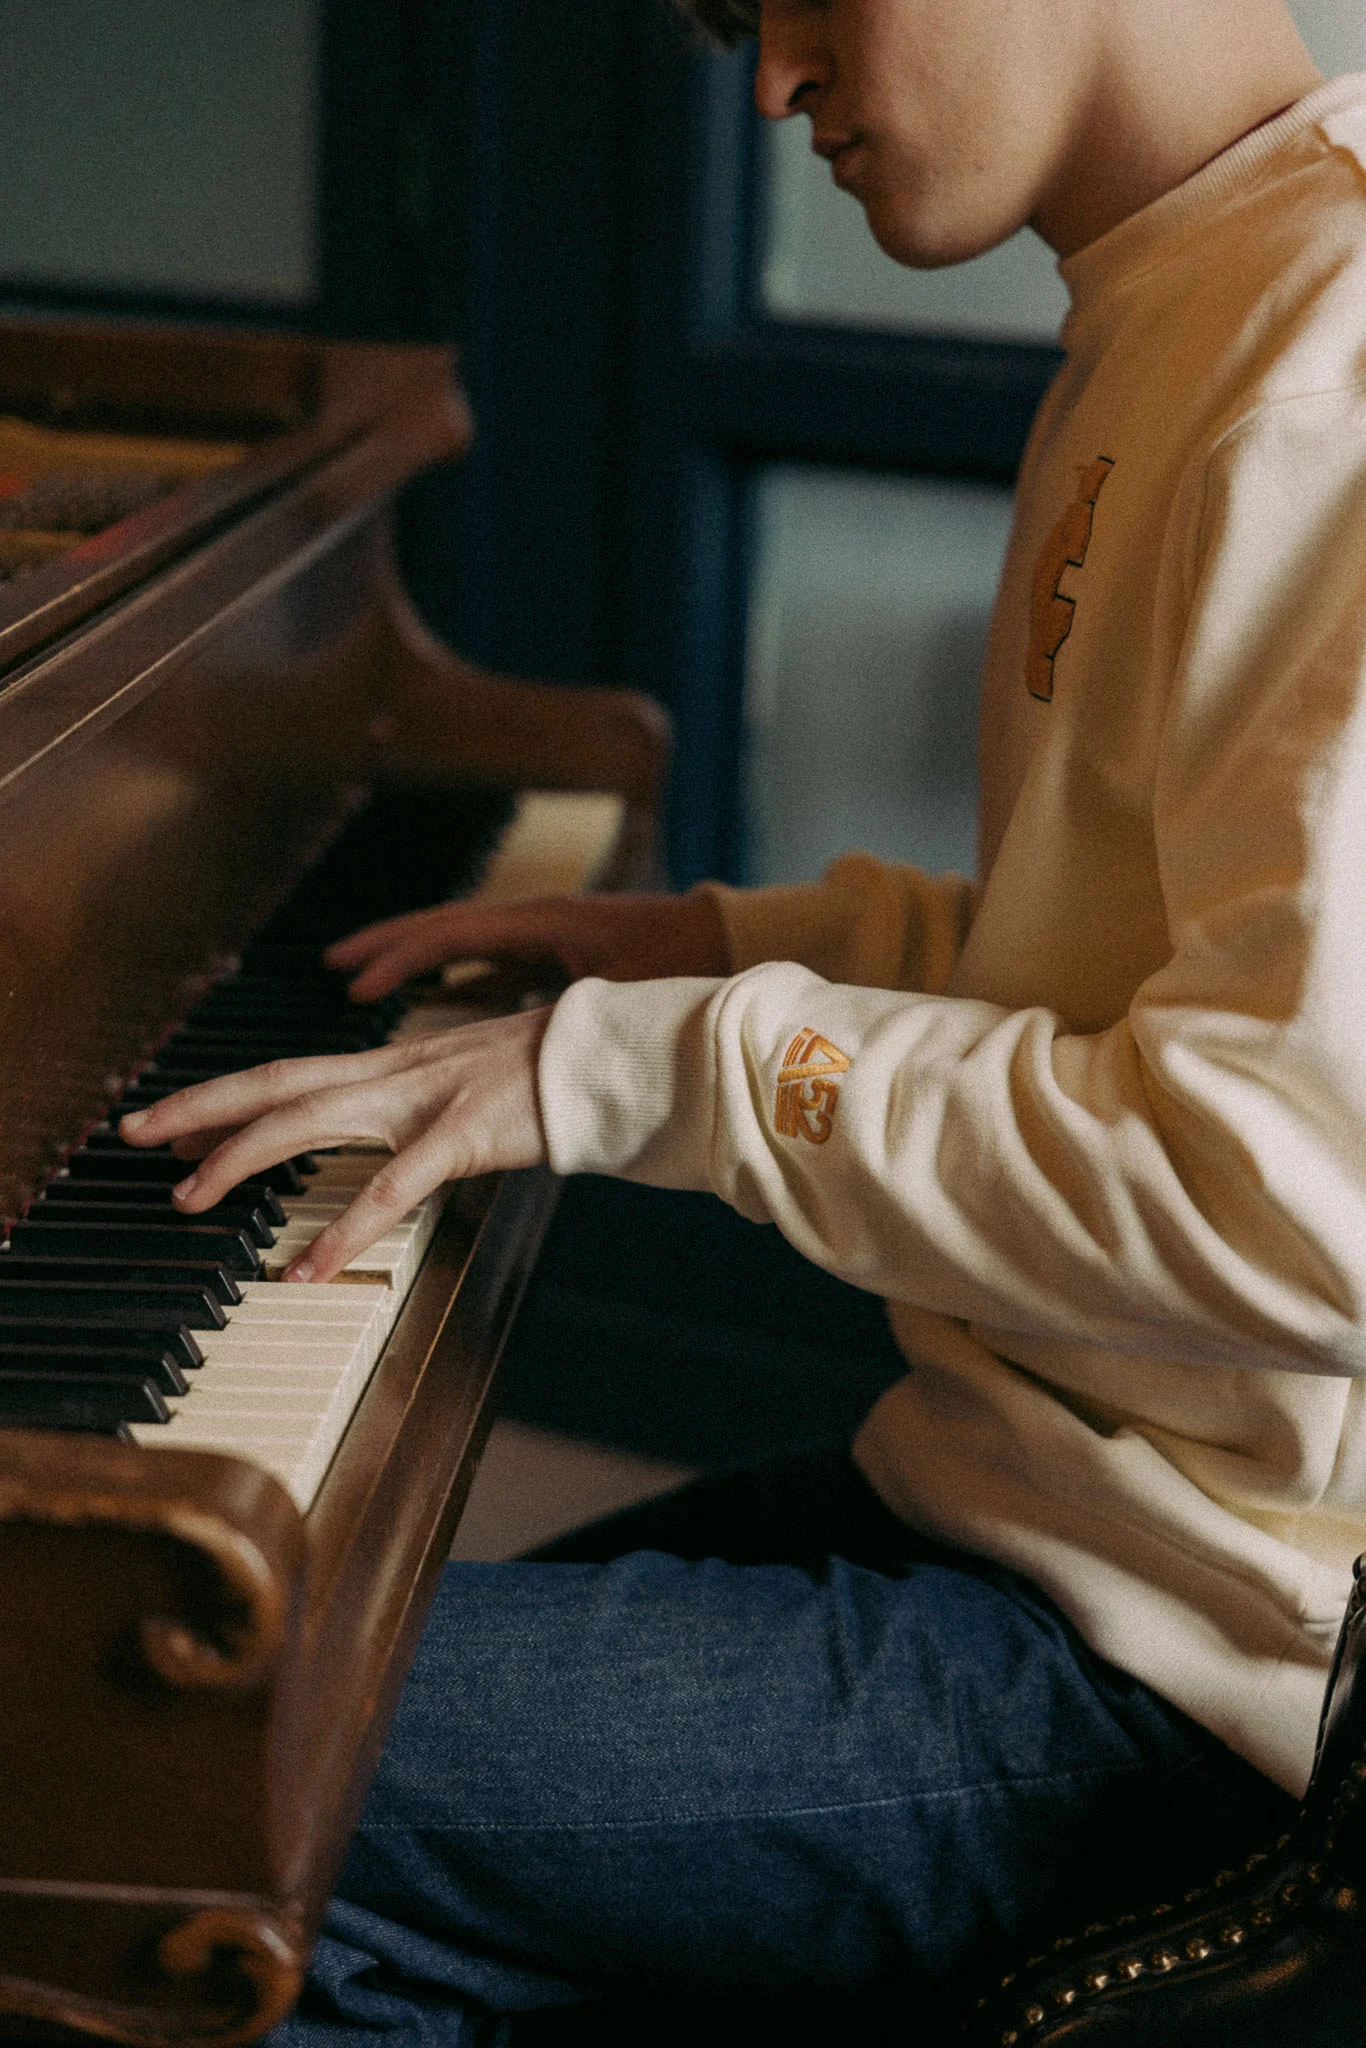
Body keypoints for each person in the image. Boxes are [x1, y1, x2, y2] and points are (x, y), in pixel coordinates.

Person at [120, 0, 1366, 2037]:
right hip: (1015, 1504)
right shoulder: (1184, 281)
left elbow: (1294, 1190)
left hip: (1178, 1663)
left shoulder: (1320, 362)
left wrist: (675, 1063)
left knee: (187, 1802)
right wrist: (709, 944)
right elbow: (1145, 958)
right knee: (237, 1673)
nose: (770, 79)